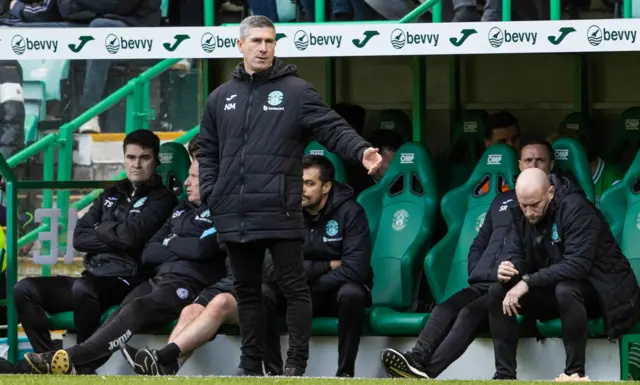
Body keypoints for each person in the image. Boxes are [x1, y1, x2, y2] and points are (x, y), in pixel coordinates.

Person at [197, 15, 382, 377]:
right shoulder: (221, 97)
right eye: (256, 41)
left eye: (270, 41)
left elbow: (331, 127)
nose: (263, 48)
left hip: (280, 209)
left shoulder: (296, 91)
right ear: (240, 46)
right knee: (247, 291)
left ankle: (295, 365)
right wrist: (211, 192)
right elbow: (208, 150)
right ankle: (250, 366)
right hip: (235, 211)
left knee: (294, 289)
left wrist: (361, 151)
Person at [23, 159, 227, 375]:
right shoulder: (181, 209)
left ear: (210, 179)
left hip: (190, 284)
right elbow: (150, 252)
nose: (186, 182)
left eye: (193, 177)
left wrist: (170, 241)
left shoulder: (222, 212)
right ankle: (81, 367)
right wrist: (180, 244)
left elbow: (202, 250)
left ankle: (72, 357)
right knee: (121, 312)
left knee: (138, 308)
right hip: (160, 278)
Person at [380, 137, 555, 379]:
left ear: (551, 165)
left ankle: (426, 372)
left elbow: (546, 252)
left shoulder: (550, 203)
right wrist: (479, 271)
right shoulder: (501, 199)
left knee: (468, 313)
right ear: (519, 164)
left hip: (515, 289)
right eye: (528, 160)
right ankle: (417, 357)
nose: (533, 164)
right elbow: (479, 243)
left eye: (540, 160)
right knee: (443, 308)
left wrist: (519, 275)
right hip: (485, 281)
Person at [13, 130, 177, 356]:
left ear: (156, 160)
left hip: (127, 280)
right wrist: (116, 236)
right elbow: (79, 237)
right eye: (131, 157)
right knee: (24, 289)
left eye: (144, 158)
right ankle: (48, 358)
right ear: (124, 159)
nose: (136, 164)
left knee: (84, 289)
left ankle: (82, 360)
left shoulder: (163, 198)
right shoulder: (112, 193)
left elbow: (132, 238)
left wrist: (101, 229)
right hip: (92, 275)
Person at [488, 168, 640, 380]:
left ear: (550, 192)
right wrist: (510, 269)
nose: (529, 212)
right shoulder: (521, 212)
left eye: (535, 205)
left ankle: (574, 373)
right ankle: (504, 375)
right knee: (498, 291)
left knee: (567, 289)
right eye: (524, 205)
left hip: (604, 293)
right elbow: (516, 254)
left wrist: (527, 281)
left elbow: (577, 266)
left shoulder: (577, 208)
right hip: (557, 290)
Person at [263, 155, 373, 378]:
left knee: (352, 292)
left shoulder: (351, 212)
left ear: (326, 187)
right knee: (262, 291)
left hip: (332, 293)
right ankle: (274, 372)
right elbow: (270, 268)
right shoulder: (285, 213)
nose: (301, 189)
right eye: (298, 182)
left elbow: (356, 269)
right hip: (296, 292)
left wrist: (307, 282)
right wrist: (325, 266)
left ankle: (345, 373)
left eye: (309, 183)